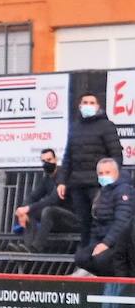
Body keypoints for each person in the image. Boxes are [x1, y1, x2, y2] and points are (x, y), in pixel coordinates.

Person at [56, 93, 123, 245]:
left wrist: (110, 180)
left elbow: (116, 156)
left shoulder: (106, 126)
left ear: (98, 106)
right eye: (85, 102)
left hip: (99, 185)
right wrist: (62, 181)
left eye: (91, 102)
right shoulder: (75, 127)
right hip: (78, 185)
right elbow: (68, 157)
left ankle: (100, 259)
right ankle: (85, 261)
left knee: (100, 221)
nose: (88, 105)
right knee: (84, 224)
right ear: (80, 106)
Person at [72, 158, 134, 277]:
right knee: (81, 257)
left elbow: (122, 222)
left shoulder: (124, 190)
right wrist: (93, 245)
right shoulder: (102, 192)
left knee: (101, 259)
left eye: (107, 172)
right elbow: (97, 224)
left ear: (116, 173)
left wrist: (105, 244)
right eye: (101, 173)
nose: (104, 176)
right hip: (102, 240)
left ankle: (114, 283)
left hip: (120, 243)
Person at [15, 148, 77, 252]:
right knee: (32, 212)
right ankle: (27, 247)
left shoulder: (64, 177)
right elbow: (32, 196)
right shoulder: (46, 179)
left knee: (48, 210)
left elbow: (53, 200)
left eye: (49, 160)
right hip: (56, 221)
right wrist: (23, 210)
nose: (47, 163)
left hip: (72, 219)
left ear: (56, 159)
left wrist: (28, 208)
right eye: (44, 161)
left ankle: (36, 248)